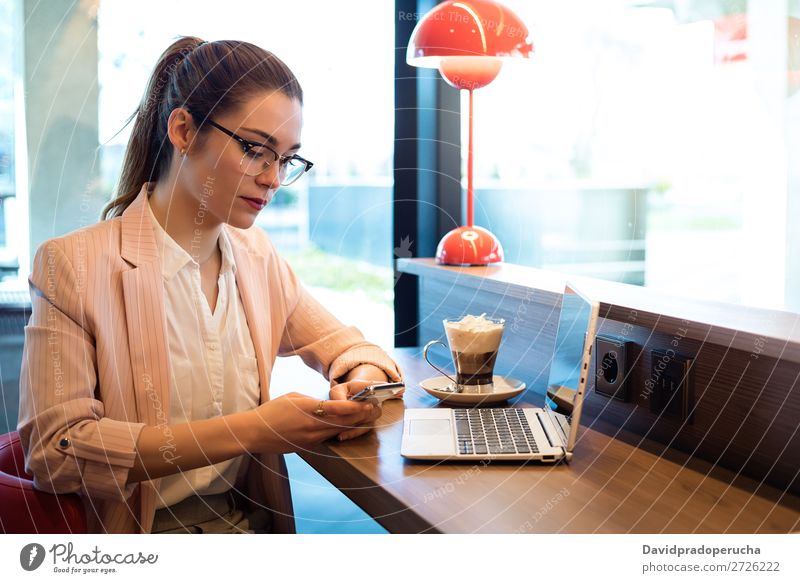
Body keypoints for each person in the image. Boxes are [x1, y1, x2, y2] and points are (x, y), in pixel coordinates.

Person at [17, 36, 403, 534]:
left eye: (287, 159)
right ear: (183, 129)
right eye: (255, 150)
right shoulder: (74, 266)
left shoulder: (256, 256)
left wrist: (363, 382)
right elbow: (55, 451)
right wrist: (255, 430)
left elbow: (346, 345)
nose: (272, 178)